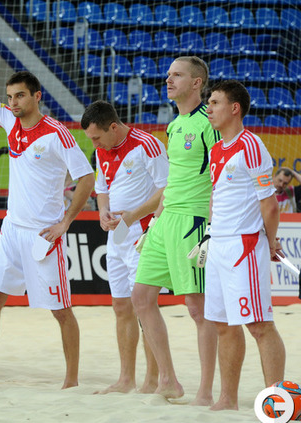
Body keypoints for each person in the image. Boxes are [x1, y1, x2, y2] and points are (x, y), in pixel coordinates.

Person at [0, 17, 95, 389]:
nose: (13, 103)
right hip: (11, 229)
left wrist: (65, 222)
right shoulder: (9, 123)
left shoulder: (57, 134)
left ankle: (71, 380)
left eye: (20, 96)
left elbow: (87, 178)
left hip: (44, 234)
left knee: (61, 310)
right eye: (10, 97)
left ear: (36, 96)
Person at [131, 56, 219, 404]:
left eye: (177, 75)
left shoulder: (209, 122)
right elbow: (173, 182)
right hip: (166, 221)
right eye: (168, 74)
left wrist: (211, 229)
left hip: (192, 221)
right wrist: (153, 220)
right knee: (141, 298)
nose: (168, 80)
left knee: (197, 307)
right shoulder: (174, 125)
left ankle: (206, 391)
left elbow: (219, 179)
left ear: (197, 83)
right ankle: (168, 380)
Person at [203, 80, 285, 410]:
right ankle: (227, 399)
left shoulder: (251, 145)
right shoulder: (216, 149)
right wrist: (210, 233)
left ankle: (278, 401)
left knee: (260, 325)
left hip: (244, 247)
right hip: (218, 246)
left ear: (234, 108)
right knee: (223, 325)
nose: (209, 109)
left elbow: (270, 204)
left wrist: (271, 240)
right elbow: (216, 197)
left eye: (215, 103)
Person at [82, 100, 168, 393]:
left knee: (145, 308)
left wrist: (132, 216)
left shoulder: (147, 144)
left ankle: (152, 380)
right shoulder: (101, 150)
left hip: (143, 236)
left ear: (113, 127)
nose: (94, 143)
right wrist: (102, 211)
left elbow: (166, 190)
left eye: (97, 137)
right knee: (121, 306)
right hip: (117, 236)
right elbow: (102, 190)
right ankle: (126, 379)